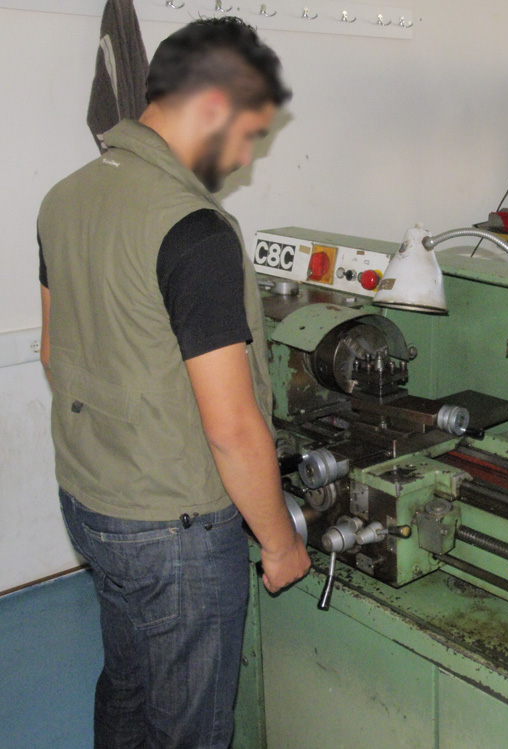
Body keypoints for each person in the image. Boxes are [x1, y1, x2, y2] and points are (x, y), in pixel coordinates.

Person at [36, 17, 311, 747]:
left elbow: (54, 351)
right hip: (175, 531)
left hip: (90, 498)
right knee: (190, 725)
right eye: (249, 133)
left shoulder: (64, 197)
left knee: (128, 686)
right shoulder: (195, 231)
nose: (246, 157)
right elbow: (232, 428)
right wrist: (279, 542)